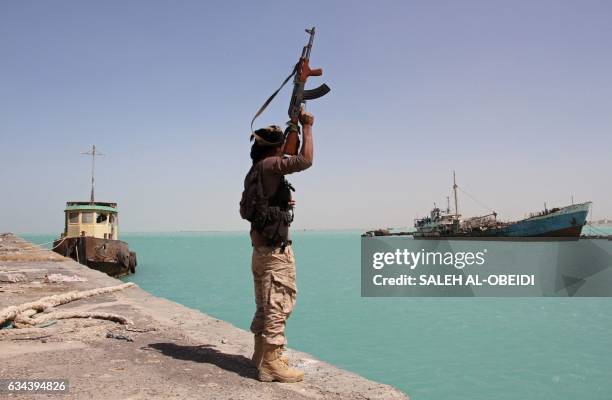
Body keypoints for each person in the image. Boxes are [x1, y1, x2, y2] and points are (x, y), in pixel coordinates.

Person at [240, 109, 314, 383]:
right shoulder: (271, 166)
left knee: (264, 306)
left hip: (259, 252)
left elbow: (249, 208)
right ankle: (272, 363)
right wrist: (307, 127)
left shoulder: (254, 172)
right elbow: (305, 160)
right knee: (278, 306)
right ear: (276, 147)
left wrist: (281, 204)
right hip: (274, 253)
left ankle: (260, 356)